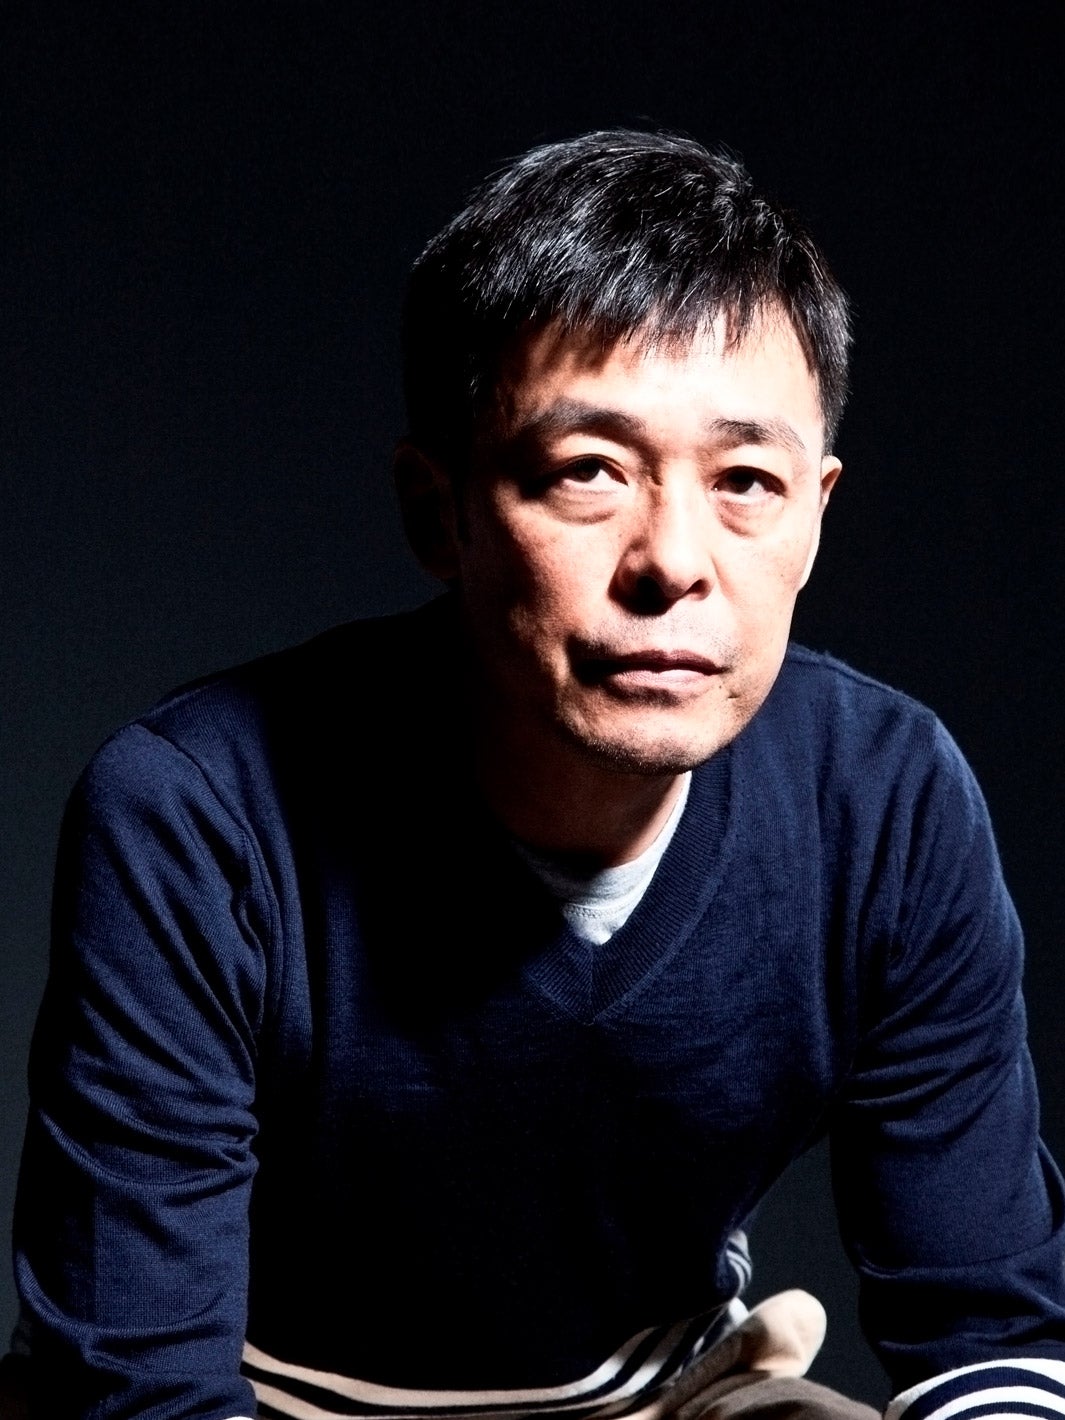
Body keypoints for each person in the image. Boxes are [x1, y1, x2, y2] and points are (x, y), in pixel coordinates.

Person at [10, 129, 1065, 1420]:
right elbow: (137, 1383)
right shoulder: (198, 811)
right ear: (437, 509)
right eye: (587, 472)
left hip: (660, 1397)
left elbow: (990, 1332)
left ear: (815, 515)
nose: (673, 560)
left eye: (746, 481)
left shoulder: (884, 799)